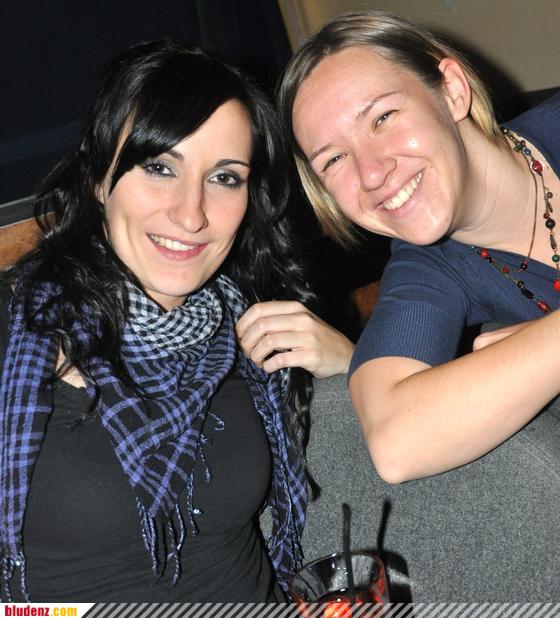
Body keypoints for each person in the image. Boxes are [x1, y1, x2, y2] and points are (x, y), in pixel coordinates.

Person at [0, 39, 347, 603]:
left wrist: (353, 366)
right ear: (98, 178)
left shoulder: (250, 327)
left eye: (225, 177)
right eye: (159, 167)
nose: (191, 215)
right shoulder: (18, 332)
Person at [278, 12, 560, 484]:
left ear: (452, 90)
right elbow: (396, 442)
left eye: (382, 118)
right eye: (334, 159)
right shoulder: (429, 266)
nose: (371, 173)